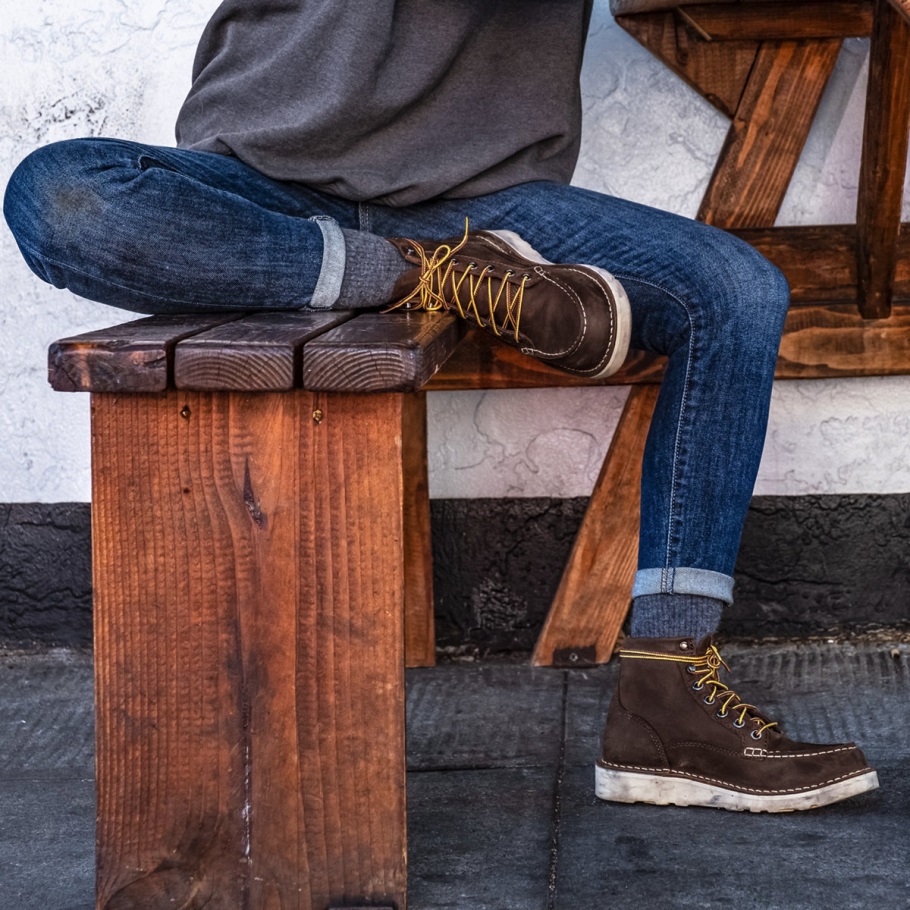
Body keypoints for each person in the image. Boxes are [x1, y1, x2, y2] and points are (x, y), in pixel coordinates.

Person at [2, 0, 877, 812]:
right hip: (261, 184)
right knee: (60, 193)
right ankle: (431, 276)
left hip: (487, 199)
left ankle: (669, 691)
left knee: (734, 292)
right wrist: (417, 275)